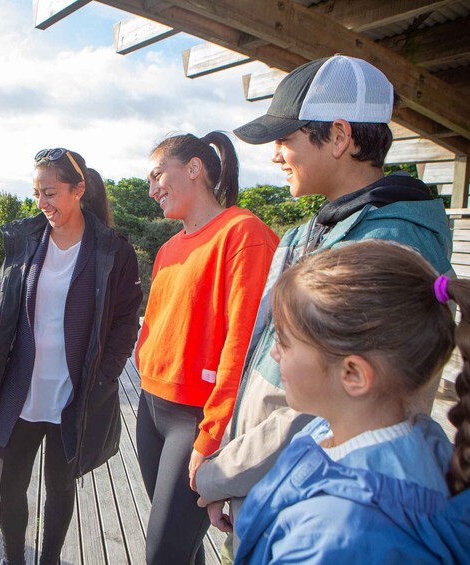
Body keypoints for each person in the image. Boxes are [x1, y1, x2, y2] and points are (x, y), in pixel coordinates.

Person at [194, 55, 455, 559]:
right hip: (276, 480)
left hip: (321, 499)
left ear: (338, 136)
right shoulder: (317, 229)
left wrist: (224, 471)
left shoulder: (389, 244)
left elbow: (337, 403)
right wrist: (231, 457)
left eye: (286, 138)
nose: (276, 155)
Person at [235, 240, 470, 563]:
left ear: (353, 375)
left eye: (285, 342)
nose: (274, 353)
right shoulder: (418, 438)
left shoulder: (336, 537)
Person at [0, 148, 142, 565]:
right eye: (36, 193)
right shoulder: (24, 241)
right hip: (20, 391)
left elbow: (125, 320)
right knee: (9, 486)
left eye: (50, 193)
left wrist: (105, 376)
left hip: (73, 394)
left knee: (60, 488)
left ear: (78, 190)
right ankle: (15, 560)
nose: (41, 203)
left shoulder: (112, 250)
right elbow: (1, 308)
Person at [135, 132, 278, 564]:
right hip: (150, 407)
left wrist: (211, 435)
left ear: (194, 168)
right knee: (183, 548)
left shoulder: (244, 234)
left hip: (197, 418)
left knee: (163, 554)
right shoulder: (167, 249)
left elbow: (243, 346)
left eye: (158, 174)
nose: (152, 188)